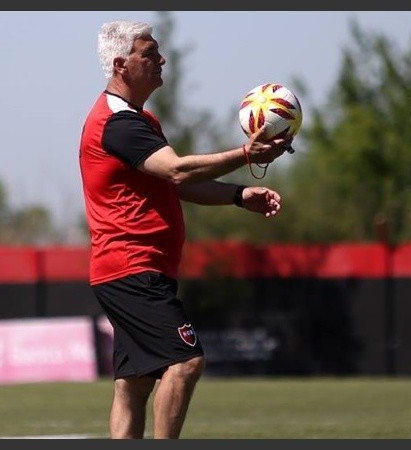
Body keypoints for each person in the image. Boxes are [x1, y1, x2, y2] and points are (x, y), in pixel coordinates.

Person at [79, 20, 292, 439]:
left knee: (135, 382)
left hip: (128, 270)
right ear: (122, 64)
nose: (161, 60)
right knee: (186, 361)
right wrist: (246, 154)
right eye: (149, 53)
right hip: (132, 269)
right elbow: (176, 170)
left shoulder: (138, 120)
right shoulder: (118, 124)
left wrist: (236, 195)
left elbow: (175, 184)